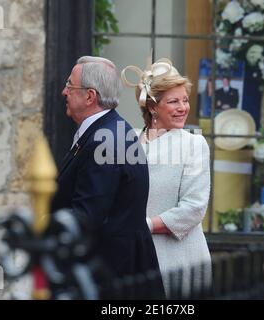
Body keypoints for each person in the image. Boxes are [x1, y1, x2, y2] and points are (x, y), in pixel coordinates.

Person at [51, 56, 163, 295]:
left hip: (111, 277)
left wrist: (41, 223)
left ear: (90, 96)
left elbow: (87, 216)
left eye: (70, 85)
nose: (63, 92)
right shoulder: (110, 129)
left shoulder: (106, 138)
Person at [121, 57, 212, 297]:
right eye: (173, 101)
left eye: (185, 100)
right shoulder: (128, 142)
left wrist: (146, 225)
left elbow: (193, 207)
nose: (183, 107)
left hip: (180, 259)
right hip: (136, 259)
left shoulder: (194, 143)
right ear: (152, 107)